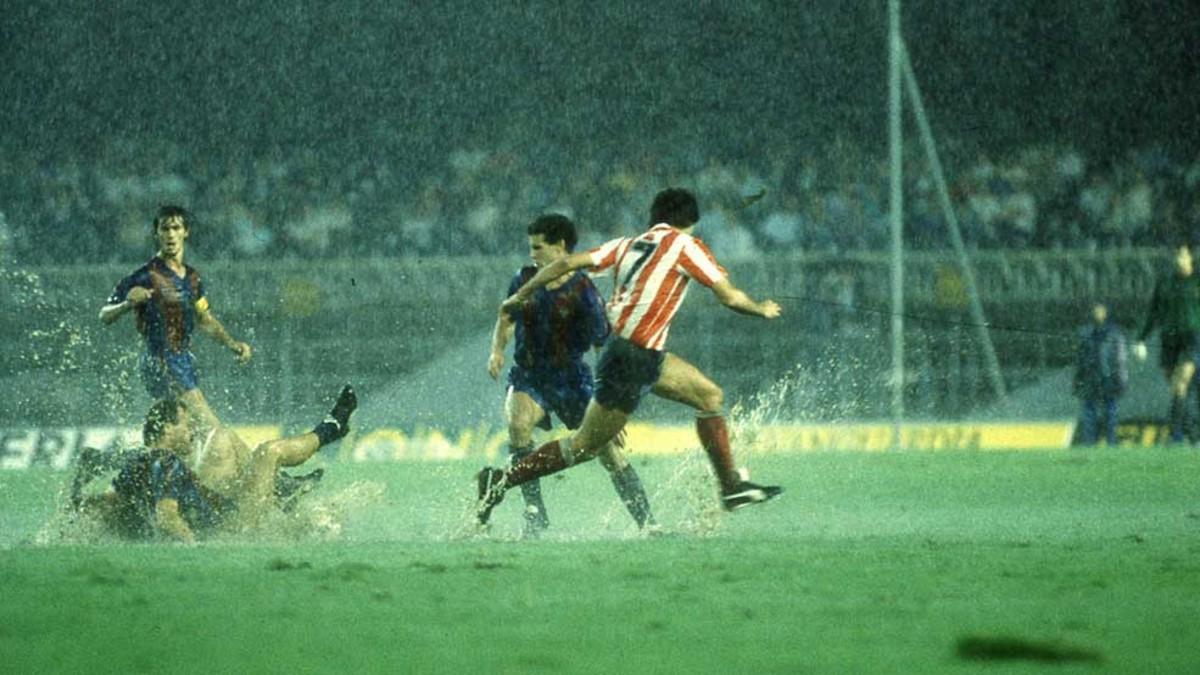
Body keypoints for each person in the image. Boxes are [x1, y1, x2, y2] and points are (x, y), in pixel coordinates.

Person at [476, 188, 782, 525]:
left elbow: (566, 263)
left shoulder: (627, 244)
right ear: (690, 221)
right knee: (583, 446)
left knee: (710, 396)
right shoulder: (685, 245)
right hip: (631, 357)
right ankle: (501, 480)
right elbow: (729, 297)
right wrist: (761, 309)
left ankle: (731, 487)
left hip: (642, 354)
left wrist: (522, 292)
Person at [487, 214, 656, 536]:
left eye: (538, 247)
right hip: (530, 375)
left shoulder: (583, 291)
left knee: (609, 454)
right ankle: (535, 514)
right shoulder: (522, 278)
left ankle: (648, 524)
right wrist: (497, 350)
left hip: (573, 380)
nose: (532, 254)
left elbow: (601, 346)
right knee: (517, 425)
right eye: (530, 247)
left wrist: (609, 401)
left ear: (560, 247)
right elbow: (507, 314)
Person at [69, 385, 357, 542]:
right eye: (186, 425)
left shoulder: (139, 464)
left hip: (222, 519)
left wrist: (72, 512)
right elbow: (167, 516)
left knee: (226, 439)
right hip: (235, 528)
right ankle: (330, 428)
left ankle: (283, 487)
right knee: (269, 452)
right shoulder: (166, 463)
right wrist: (197, 548)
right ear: (166, 429)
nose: (192, 431)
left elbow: (107, 504)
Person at [99, 205, 253, 443]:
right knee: (213, 430)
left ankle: (101, 463)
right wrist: (127, 305)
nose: (170, 234)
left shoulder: (192, 278)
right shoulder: (143, 276)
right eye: (165, 228)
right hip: (162, 360)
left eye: (176, 228)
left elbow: (205, 319)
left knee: (180, 438)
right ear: (156, 234)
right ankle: (266, 476)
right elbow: (104, 315)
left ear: (186, 232)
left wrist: (232, 344)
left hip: (180, 359)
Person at [1132, 242, 1200, 442]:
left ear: (1190, 258)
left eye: (1183, 255)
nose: (1179, 259)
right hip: (1169, 338)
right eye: (1176, 255)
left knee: (1182, 383)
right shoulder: (1165, 283)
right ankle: (1191, 432)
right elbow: (1153, 313)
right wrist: (1141, 338)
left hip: (1192, 336)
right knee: (1176, 388)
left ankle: (1177, 434)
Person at [1072, 302, 1128, 445]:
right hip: (1090, 377)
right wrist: (1078, 379)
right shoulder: (1085, 333)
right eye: (1095, 311)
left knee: (1109, 411)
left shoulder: (1114, 333)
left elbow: (1119, 358)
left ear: (1106, 313)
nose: (1098, 314)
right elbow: (1079, 358)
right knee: (1089, 411)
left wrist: (1121, 379)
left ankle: (1111, 441)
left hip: (1107, 377)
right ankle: (1088, 442)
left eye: (1100, 311)